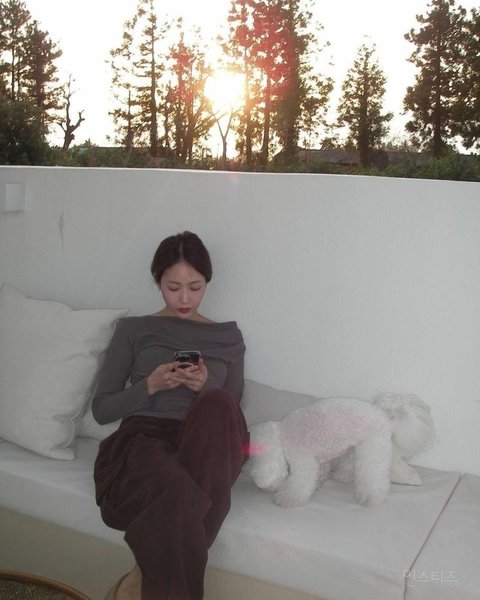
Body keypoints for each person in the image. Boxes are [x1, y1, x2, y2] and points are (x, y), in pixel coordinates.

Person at [92, 231, 249, 600]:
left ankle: (142, 575)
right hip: (144, 439)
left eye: (195, 287)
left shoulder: (228, 338)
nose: (184, 299)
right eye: (173, 287)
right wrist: (150, 385)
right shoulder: (133, 330)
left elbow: (232, 415)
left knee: (218, 402)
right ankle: (148, 576)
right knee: (180, 496)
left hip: (206, 444)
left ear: (207, 281)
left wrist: (205, 385)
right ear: (157, 281)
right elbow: (101, 410)